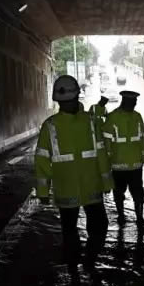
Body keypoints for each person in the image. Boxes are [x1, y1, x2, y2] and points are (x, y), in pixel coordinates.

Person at [34, 75, 112, 275]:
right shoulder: (50, 125)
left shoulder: (91, 122)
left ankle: (89, 260)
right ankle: (73, 266)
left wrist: (107, 183)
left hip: (91, 186)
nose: (67, 105)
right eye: (63, 102)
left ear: (77, 96)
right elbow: (42, 159)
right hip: (66, 189)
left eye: (69, 100)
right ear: (58, 102)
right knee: (69, 231)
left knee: (100, 226)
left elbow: (101, 152)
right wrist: (42, 191)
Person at [103, 90, 144, 234]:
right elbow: (106, 141)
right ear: (124, 101)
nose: (135, 104)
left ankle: (140, 218)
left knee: (138, 194)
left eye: (135, 102)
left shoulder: (137, 116)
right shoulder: (112, 117)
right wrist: (106, 162)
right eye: (132, 102)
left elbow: (143, 137)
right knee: (119, 193)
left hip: (135, 165)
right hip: (119, 166)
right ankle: (121, 216)